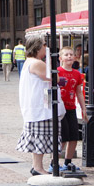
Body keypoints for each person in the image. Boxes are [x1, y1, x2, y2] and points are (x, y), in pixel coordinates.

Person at [16, 36, 66, 175]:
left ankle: (37, 166)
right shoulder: (37, 63)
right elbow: (53, 78)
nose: (46, 48)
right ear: (38, 47)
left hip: (34, 106)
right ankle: (38, 167)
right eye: (44, 45)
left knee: (38, 136)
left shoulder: (29, 62)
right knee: (42, 136)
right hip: (40, 107)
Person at [55, 46, 87, 172]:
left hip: (71, 107)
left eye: (71, 54)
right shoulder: (57, 72)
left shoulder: (77, 74)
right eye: (66, 54)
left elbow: (79, 92)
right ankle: (54, 162)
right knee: (63, 137)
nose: (69, 57)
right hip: (60, 108)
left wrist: (83, 108)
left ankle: (68, 162)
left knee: (74, 136)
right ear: (60, 58)